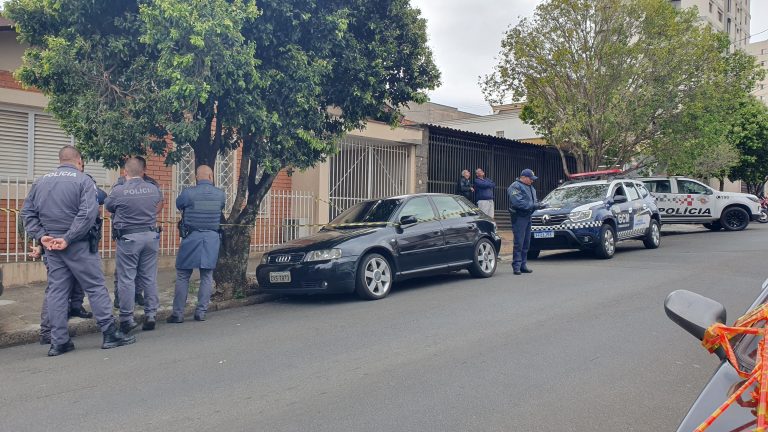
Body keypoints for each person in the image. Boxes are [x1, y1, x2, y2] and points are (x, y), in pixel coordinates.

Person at [21, 145, 135, 356]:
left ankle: (59, 341)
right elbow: (87, 214)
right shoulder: (84, 181)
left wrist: (41, 236)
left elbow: (27, 213)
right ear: (79, 161)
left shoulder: (40, 181)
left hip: (52, 246)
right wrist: (68, 238)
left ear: (60, 160)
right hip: (79, 245)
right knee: (95, 287)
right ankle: (110, 334)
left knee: (57, 291)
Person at [105, 158, 163, 333]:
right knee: (149, 277)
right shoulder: (153, 189)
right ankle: (151, 314)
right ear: (143, 172)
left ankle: (126, 318)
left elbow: (109, 207)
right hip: (150, 237)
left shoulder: (119, 191)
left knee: (127, 278)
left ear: (125, 172)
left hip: (129, 238)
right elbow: (157, 206)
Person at [167, 165, 226, 323]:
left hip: (191, 237)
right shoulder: (220, 195)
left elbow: (179, 205)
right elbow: (219, 209)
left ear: (196, 177)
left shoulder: (188, 193)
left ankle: (178, 314)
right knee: (207, 276)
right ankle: (201, 312)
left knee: (183, 275)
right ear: (211, 176)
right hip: (212, 238)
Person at [507, 169, 543, 276]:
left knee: (526, 242)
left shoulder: (531, 188)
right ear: (524, 177)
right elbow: (518, 202)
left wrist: (540, 204)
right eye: (531, 179)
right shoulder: (515, 186)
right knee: (519, 242)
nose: (532, 181)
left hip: (528, 217)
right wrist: (534, 205)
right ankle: (516, 266)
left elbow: (533, 202)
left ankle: (523, 265)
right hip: (519, 217)